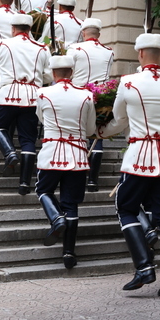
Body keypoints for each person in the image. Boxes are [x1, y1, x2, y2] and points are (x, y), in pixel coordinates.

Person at [100, 33, 160, 298]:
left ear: (140, 54)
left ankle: (144, 267)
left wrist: (99, 131)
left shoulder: (128, 82)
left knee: (125, 207)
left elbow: (119, 120)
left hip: (138, 157)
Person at [36, 55, 96, 268]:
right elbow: (90, 129)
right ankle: (69, 253)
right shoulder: (87, 95)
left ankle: (56, 218)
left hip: (52, 152)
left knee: (43, 190)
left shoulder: (42, 93)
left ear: (53, 73)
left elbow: (41, 119)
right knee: (71, 204)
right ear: (72, 72)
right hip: (77, 155)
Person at [0, 13, 52, 195]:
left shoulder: (2, 44)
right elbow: (49, 76)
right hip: (32, 97)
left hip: (8, 95)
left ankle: (9, 153)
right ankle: (24, 184)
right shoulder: (42, 48)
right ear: (30, 29)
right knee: (28, 140)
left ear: (13, 28)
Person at [67, 17, 115, 191]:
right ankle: (93, 180)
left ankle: (76, 174)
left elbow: (68, 71)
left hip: (79, 95)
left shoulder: (74, 48)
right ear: (99, 34)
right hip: (101, 97)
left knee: (77, 134)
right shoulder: (109, 52)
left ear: (83, 33)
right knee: (96, 135)